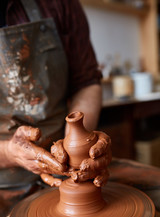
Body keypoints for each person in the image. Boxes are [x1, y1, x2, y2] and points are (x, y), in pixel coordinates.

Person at [0, 0, 111, 187]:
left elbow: (86, 83)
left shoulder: (59, 3)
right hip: (5, 177)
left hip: (64, 161)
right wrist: (9, 152)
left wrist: (78, 146)